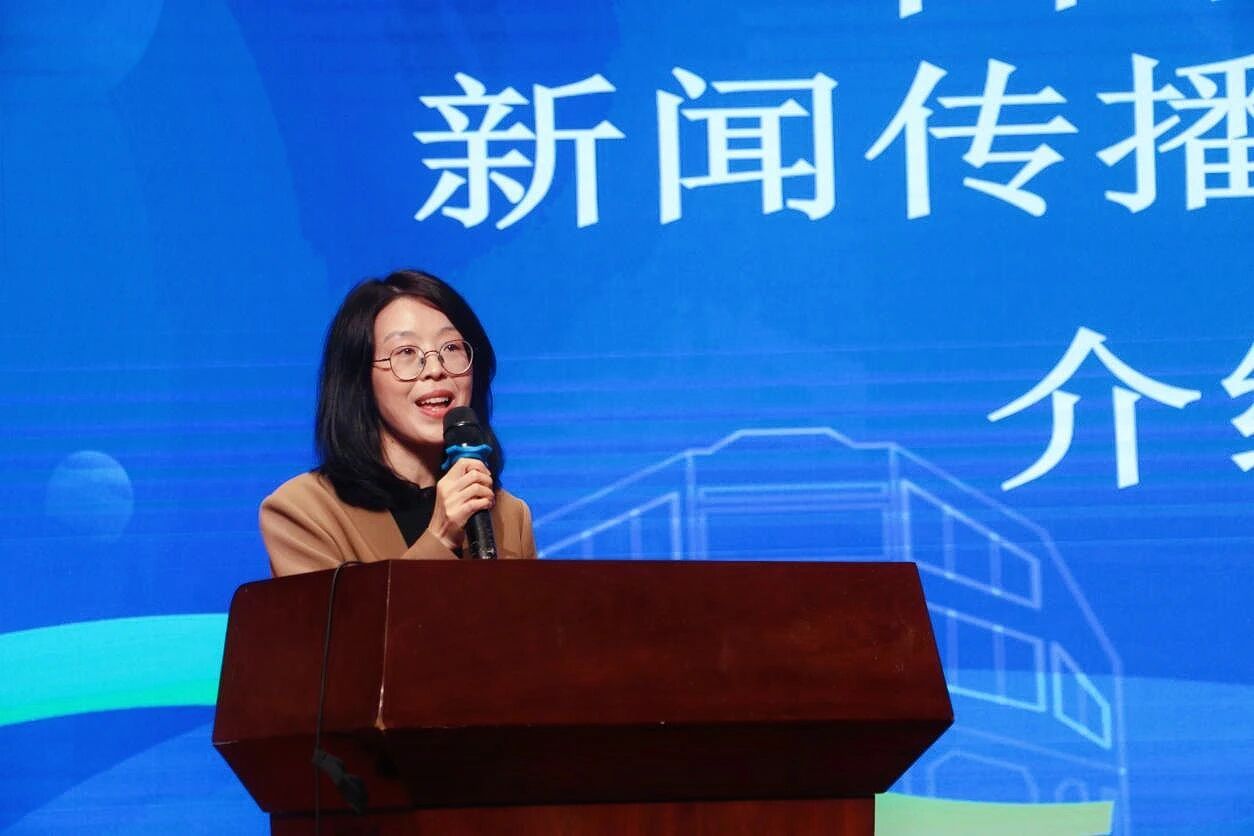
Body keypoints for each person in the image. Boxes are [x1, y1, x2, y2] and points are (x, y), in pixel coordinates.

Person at [261, 269, 536, 576]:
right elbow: (349, 611)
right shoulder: (302, 511)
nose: (435, 369)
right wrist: (440, 538)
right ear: (359, 380)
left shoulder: (510, 515)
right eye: (406, 352)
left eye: (451, 348)